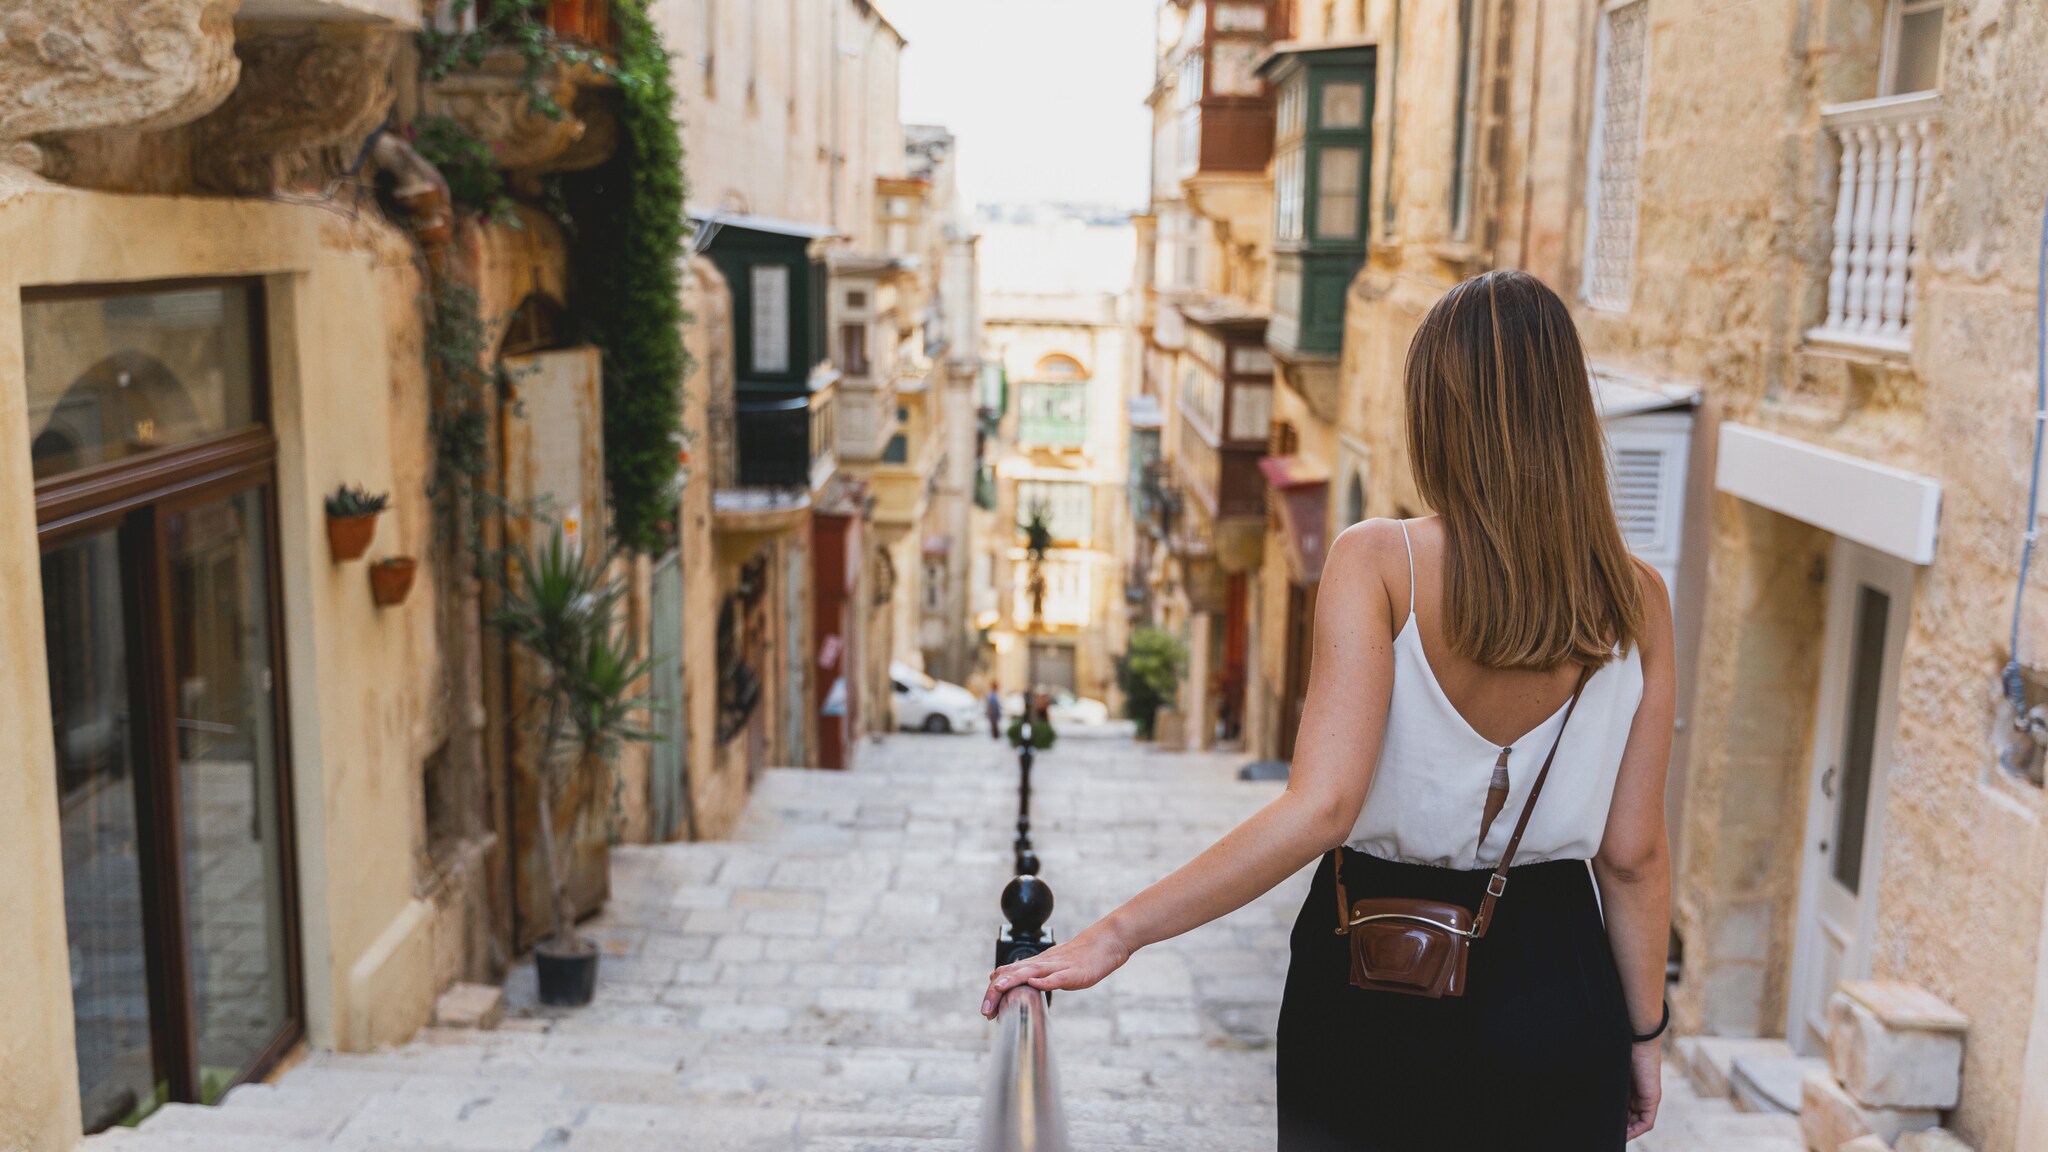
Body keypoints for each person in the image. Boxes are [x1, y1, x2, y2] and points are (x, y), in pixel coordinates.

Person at [980, 270, 1673, 1149]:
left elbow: (1321, 808)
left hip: (1372, 965)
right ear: (1570, 414)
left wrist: (1113, 937)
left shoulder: (1382, 563)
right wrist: (1641, 1034)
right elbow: (1634, 856)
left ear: (1437, 414)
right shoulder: (1638, 599)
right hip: (1560, 982)